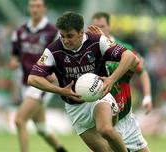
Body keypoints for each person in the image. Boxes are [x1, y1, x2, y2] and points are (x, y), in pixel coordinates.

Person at [28, 11, 139, 152]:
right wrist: (61, 91)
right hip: (75, 108)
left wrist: (111, 79)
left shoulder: (98, 41)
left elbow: (129, 56)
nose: (65, 40)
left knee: (105, 130)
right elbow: (32, 78)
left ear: (81, 32)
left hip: (99, 95)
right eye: (62, 36)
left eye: (70, 36)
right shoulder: (53, 50)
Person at [9, 0, 67, 152]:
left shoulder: (53, 32)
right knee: (41, 127)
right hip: (25, 82)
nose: (34, 9)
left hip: (41, 82)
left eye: (38, 6)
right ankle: (61, 149)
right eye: (32, 6)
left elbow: (60, 55)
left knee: (19, 120)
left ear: (45, 8)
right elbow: (15, 55)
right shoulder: (20, 31)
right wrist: (14, 62)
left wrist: (55, 72)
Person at [91, 12, 152, 114]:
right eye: (96, 27)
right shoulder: (88, 50)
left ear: (109, 27)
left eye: (102, 26)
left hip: (122, 104)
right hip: (98, 105)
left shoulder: (125, 49)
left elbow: (142, 70)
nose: (99, 30)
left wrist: (147, 96)